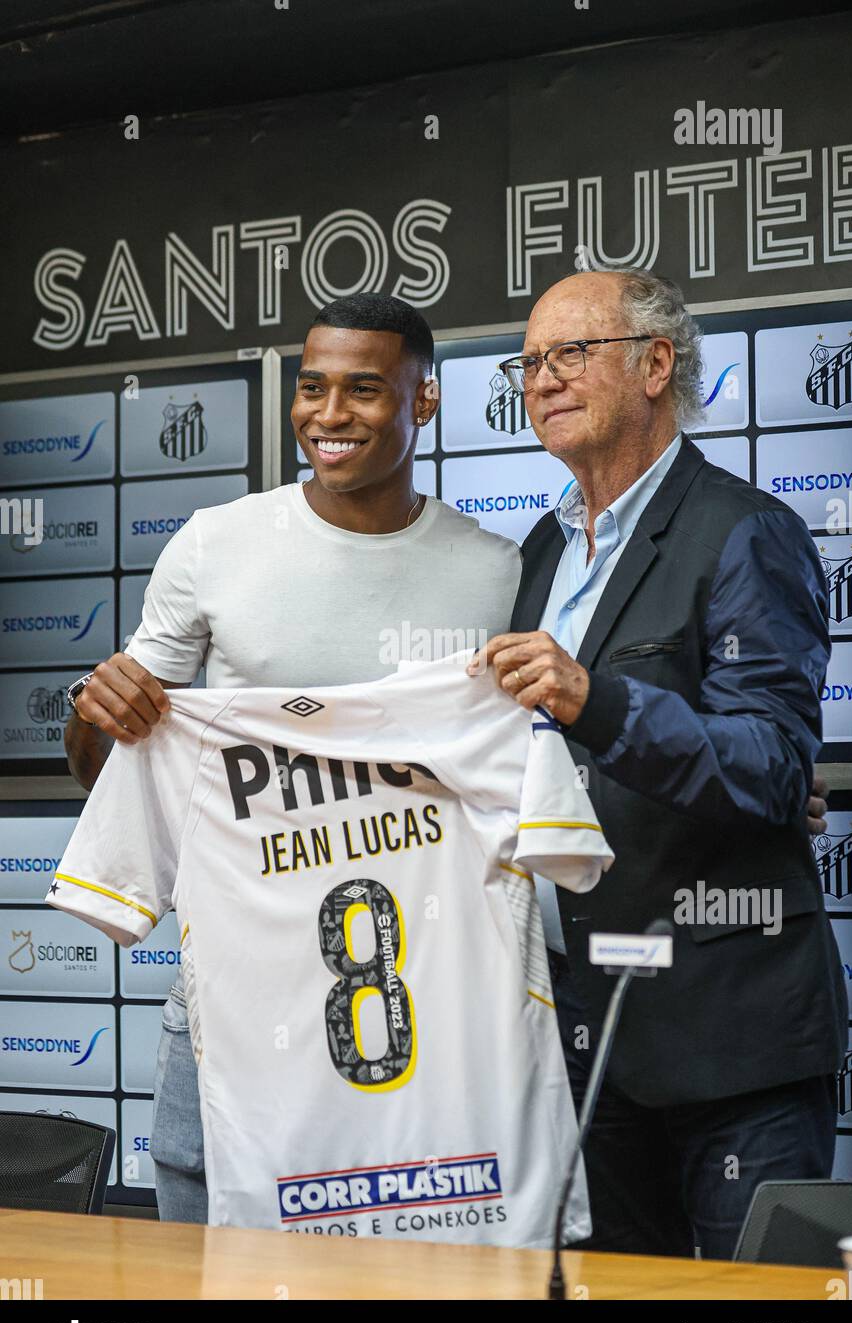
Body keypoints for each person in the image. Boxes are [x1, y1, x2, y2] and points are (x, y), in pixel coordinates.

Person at [64, 292, 521, 1223]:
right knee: (210, 1268)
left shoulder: (498, 572)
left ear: (423, 402)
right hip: (231, 1001)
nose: (328, 415)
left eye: (364, 390)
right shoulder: (216, 546)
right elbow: (110, 763)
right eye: (311, 388)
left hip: (424, 1011)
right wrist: (95, 704)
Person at [470, 267, 847, 1261]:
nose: (540, 379)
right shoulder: (539, 555)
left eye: (569, 353)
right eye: (529, 362)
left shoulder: (744, 531)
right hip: (583, 1045)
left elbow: (769, 765)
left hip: (732, 1048)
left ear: (653, 364)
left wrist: (596, 701)